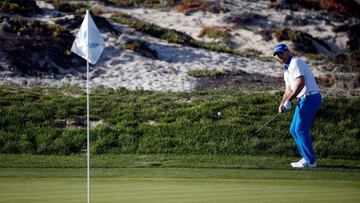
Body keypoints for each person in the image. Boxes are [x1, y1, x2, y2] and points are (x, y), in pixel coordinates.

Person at [273, 43, 322, 168]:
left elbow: (301, 83)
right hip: (303, 99)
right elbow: (288, 90)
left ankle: (310, 161)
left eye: (281, 53)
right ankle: (305, 157)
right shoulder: (286, 70)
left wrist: (289, 101)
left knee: (301, 129)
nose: (280, 56)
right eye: (277, 55)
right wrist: (282, 103)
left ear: (287, 51)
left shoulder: (296, 63)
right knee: (294, 129)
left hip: (311, 97)